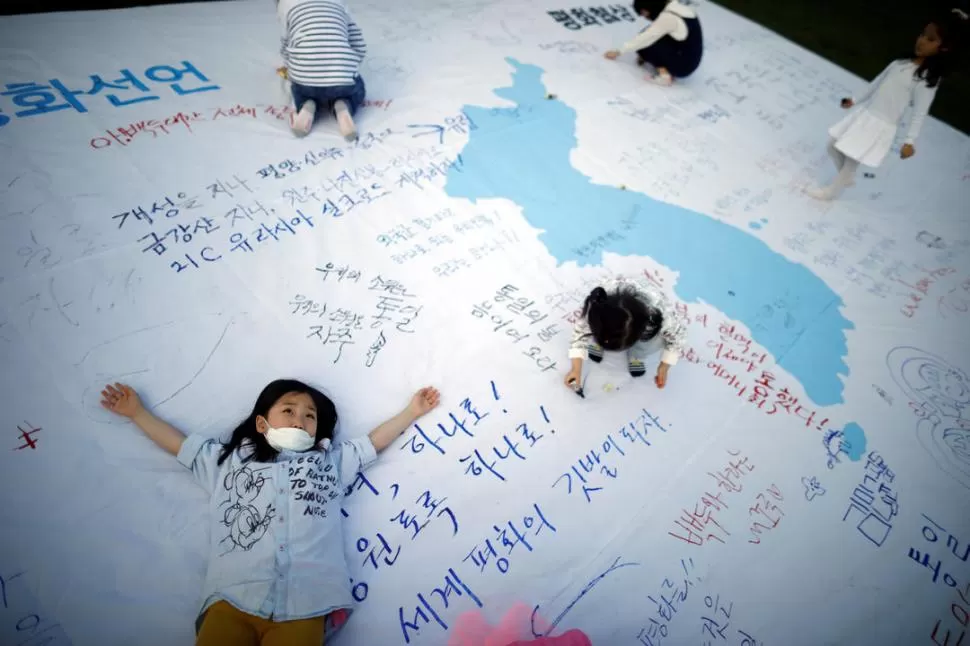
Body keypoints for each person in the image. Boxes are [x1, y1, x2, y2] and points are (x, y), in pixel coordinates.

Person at [100, 378, 440, 646]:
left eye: (310, 415)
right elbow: (178, 444)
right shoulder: (227, 462)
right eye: (289, 410)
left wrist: (411, 411)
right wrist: (138, 413)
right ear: (262, 424)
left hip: (307, 603)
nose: (300, 419)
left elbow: (373, 442)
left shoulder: (329, 463)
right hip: (233, 598)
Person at [807, 9, 968, 200]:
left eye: (930, 39)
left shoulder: (926, 81)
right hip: (866, 115)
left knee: (851, 159)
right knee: (832, 145)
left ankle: (831, 192)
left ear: (944, 48)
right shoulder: (899, 63)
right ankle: (846, 178)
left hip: (881, 124)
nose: (922, 41)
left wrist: (909, 141)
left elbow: (920, 112)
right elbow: (876, 84)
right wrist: (854, 100)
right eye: (922, 35)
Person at [563, 277, 688, 392]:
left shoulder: (660, 314)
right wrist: (576, 369)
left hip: (648, 318)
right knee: (595, 330)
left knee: (654, 341)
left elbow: (678, 339)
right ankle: (600, 341)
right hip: (608, 316)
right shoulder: (598, 304)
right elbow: (579, 334)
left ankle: (637, 354)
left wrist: (664, 366)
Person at [277, 0, 368, 141]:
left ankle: (307, 106)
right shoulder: (339, 3)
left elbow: (286, 44)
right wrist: (349, 65)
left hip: (305, 78)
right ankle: (344, 106)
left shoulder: (285, 6)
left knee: (300, 89)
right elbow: (359, 43)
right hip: (342, 79)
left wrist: (291, 65)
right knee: (357, 87)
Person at [603, 0, 703, 85]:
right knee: (649, 33)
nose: (645, 17)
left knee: (647, 45)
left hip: (683, 66)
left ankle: (665, 76)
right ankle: (652, 58)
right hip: (689, 57)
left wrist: (618, 51)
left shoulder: (668, 17)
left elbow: (645, 38)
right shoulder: (675, 6)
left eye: (644, 13)